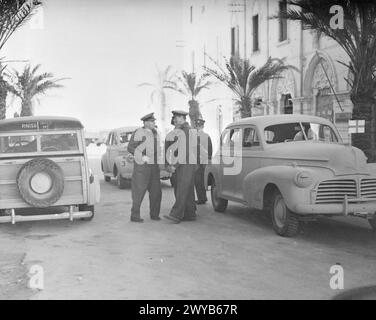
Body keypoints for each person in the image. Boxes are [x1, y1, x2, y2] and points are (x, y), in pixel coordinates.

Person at [127, 112, 162, 223]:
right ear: (146, 122)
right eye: (152, 121)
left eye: (154, 121)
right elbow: (130, 147)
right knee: (138, 192)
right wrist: (142, 156)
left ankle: (154, 214)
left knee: (156, 192)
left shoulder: (155, 132)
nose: (153, 123)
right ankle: (135, 215)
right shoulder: (138, 132)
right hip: (142, 167)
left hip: (154, 167)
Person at [164, 110, 197, 223]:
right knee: (186, 189)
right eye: (174, 118)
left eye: (177, 117)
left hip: (186, 163)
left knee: (182, 188)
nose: (175, 120)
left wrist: (175, 165)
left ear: (183, 118)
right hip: (182, 163)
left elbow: (185, 150)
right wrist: (169, 163)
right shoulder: (178, 131)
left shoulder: (187, 131)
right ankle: (190, 213)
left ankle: (176, 215)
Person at [194, 118, 212, 205]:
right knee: (200, 180)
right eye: (197, 126)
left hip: (200, 161)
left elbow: (209, 149)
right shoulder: (206, 136)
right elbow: (209, 149)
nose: (198, 127)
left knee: (199, 180)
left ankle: (202, 198)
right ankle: (202, 197)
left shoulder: (197, 136)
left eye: (199, 126)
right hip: (201, 161)